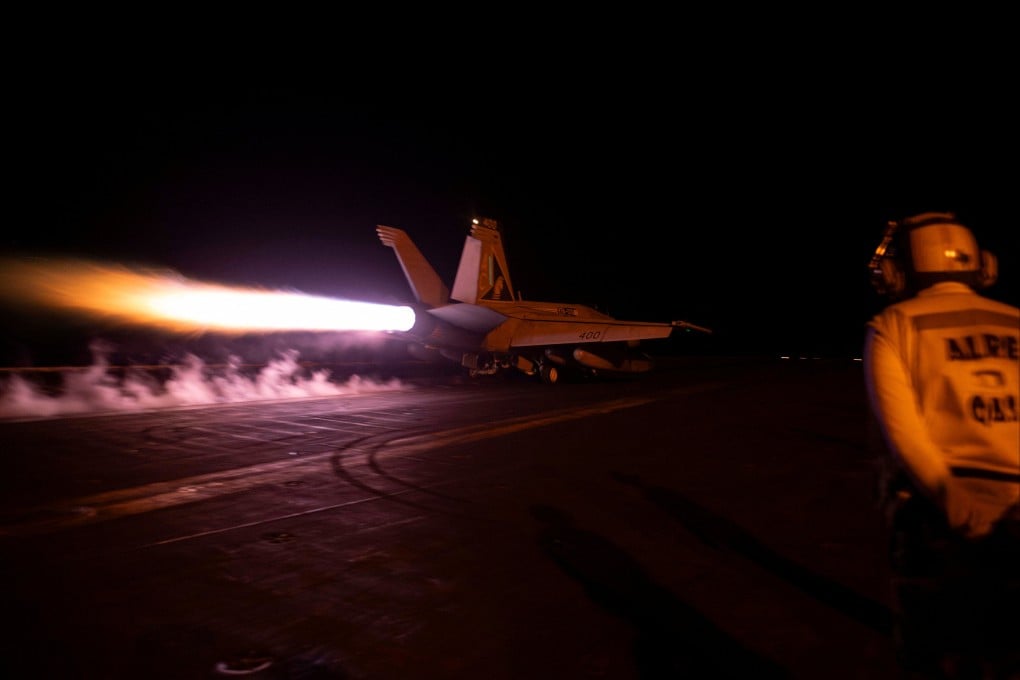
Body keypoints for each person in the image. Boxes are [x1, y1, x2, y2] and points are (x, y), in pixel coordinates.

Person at [863, 211, 1020, 678]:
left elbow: (904, 434)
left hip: (939, 517)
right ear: (982, 264)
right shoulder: (1015, 322)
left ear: (900, 269)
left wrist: (957, 502)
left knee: (936, 652)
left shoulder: (893, 325)